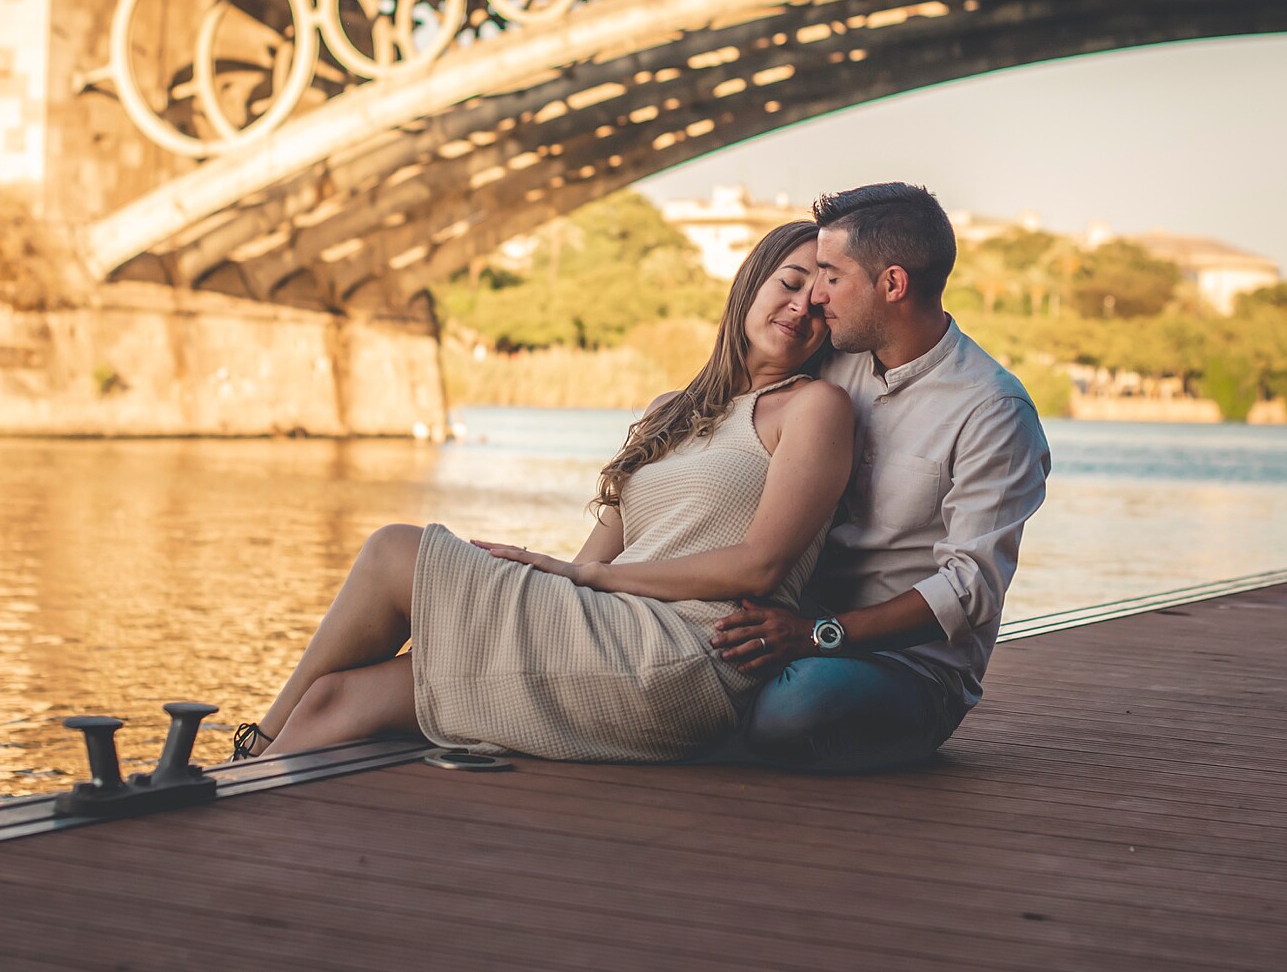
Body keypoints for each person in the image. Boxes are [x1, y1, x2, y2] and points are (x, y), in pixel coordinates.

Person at [231, 222, 853, 762]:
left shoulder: (815, 409)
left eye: (821, 305)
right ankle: (241, 793)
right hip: (608, 626)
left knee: (397, 551)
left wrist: (589, 580)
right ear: (750, 288)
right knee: (335, 700)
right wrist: (560, 577)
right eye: (790, 284)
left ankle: (252, 746)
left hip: (684, 654)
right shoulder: (671, 410)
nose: (802, 308)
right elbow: (592, 559)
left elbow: (761, 563)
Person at [709, 183, 1052, 772]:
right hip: (785, 622)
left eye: (831, 275)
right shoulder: (831, 359)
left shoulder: (992, 409)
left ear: (892, 284)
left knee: (791, 708)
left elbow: (970, 587)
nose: (815, 295)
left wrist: (818, 633)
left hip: (907, 671)